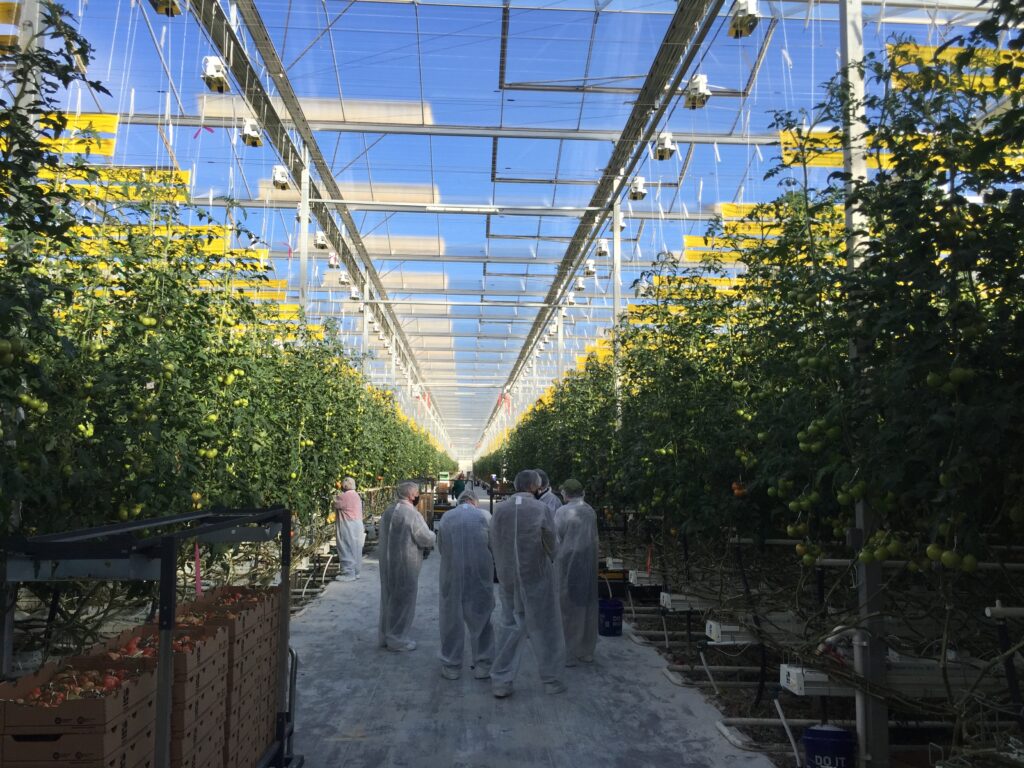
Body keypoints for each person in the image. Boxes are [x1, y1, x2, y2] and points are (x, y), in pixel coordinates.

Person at [490, 469, 566, 698]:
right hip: (536, 575)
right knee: (545, 627)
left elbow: (492, 540)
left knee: (510, 624)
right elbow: (552, 544)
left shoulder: (500, 510)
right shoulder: (540, 509)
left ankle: (501, 681)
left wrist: (503, 565)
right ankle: (551, 680)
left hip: (508, 577)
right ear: (535, 486)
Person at [436, 489, 495, 680]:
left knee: (451, 620)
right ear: (474, 501)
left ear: (460, 501)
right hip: (479, 574)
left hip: (451, 574)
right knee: (481, 618)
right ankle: (483, 665)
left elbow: (442, 546)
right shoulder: (484, 516)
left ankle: (452, 666)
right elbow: (494, 545)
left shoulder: (447, 517)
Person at [378, 481, 436, 652]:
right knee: (403, 600)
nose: (418, 495)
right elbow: (425, 537)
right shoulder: (412, 515)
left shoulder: (389, 511)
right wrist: (434, 536)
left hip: (389, 562)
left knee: (389, 597)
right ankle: (397, 639)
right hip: (406, 564)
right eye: (417, 492)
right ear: (412, 495)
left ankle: (386, 634)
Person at [554, 479, 599, 666]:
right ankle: (586, 650)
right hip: (588, 560)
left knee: (567, 607)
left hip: (567, 561)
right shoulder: (589, 510)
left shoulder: (563, 512)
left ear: (565, 493)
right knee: (587, 604)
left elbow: (556, 537)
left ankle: (568, 653)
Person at [333, 477, 365, 582]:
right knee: (356, 548)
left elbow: (334, 503)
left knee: (346, 547)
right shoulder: (356, 495)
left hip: (348, 524)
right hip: (357, 524)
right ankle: (356, 572)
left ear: (345, 485)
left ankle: (348, 573)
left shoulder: (344, 496)